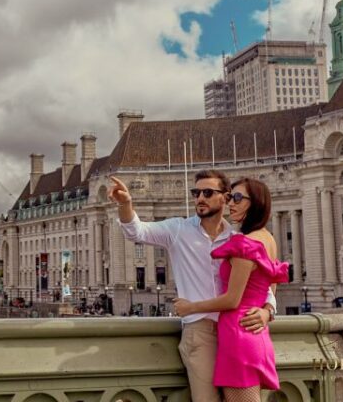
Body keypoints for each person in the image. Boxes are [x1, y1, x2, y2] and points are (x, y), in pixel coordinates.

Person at [109, 170, 276, 402]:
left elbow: (262, 282)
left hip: (236, 330)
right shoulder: (179, 229)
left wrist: (268, 310)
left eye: (208, 193)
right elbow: (136, 231)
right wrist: (125, 204)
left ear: (225, 197)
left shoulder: (237, 238)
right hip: (201, 331)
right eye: (196, 193)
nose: (200, 198)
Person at [174, 177, 288, 402]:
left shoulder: (245, 244)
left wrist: (190, 307)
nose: (230, 204)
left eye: (237, 198)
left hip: (238, 333)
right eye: (229, 198)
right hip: (256, 332)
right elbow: (270, 286)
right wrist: (267, 310)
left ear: (255, 202)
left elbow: (232, 300)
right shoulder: (268, 239)